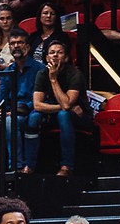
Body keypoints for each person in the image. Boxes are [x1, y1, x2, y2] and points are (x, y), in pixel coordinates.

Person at [27, 40, 92, 176]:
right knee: (33, 117)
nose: (55, 55)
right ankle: (29, 166)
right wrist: (61, 107)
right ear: (46, 58)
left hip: (80, 116)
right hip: (56, 112)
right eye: (51, 53)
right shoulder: (42, 74)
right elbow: (37, 105)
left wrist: (53, 80)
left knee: (63, 115)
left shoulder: (75, 74)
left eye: (59, 52)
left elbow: (67, 104)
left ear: (66, 58)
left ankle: (66, 165)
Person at [0, 28, 44, 175]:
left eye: (20, 43)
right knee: (9, 121)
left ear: (28, 46)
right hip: (14, 112)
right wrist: (4, 110)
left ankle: (29, 166)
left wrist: (19, 109)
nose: (16, 46)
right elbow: (2, 99)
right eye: (13, 43)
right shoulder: (7, 72)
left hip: (34, 109)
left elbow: (41, 97)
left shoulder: (40, 69)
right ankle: (16, 167)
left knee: (32, 118)